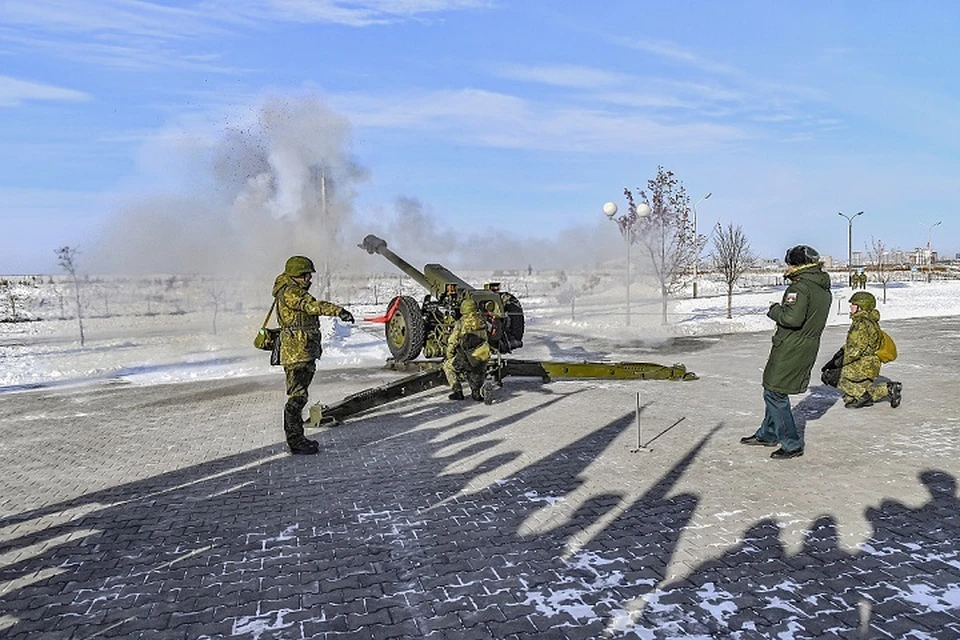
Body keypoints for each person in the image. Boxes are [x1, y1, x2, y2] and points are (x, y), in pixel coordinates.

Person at [740, 245, 832, 460]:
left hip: (791, 346)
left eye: (789, 262)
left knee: (775, 392)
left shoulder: (799, 288)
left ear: (796, 264)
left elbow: (792, 318)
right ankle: (768, 433)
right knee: (774, 388)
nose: (787, 266)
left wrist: (774, 310)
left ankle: (791, 443)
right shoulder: (822, 287)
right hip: (804, 344)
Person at [272, 255, 354, 455]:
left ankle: (296, 438)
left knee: (299, 395)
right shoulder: (291, 292)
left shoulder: (290, 289)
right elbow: (312, 306)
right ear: (296, 275)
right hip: (296, 352)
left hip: (301, 350)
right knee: (297, 397)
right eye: (306, 275)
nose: (309, 279)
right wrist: (338, 311)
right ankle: (296, 440)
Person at [838, 291, 902, 409]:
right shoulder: (869, 321)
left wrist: (839, 362)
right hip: (871, 363)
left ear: (861, 307)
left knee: (836, 378)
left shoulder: (861, 323)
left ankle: (864, 397)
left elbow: (857, 349)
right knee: (851, 397)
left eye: (853, 304)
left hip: (864, 364)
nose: (850, 307)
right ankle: (889, 389)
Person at [443, 296, 491, 401]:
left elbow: (452, 340)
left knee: (448, 366)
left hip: (466, 357)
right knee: (476, 372)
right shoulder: (483, 320)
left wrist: (449, 354)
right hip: (482, 356)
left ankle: (457, 392)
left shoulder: (461, 323)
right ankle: (476, 393)